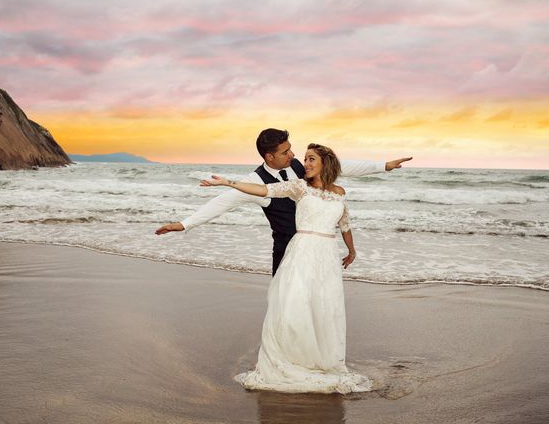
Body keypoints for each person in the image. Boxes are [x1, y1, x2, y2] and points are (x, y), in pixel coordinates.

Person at [200, 143, 371, 393]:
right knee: (294, 306)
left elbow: (344, 223)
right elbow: (264, 190)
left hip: (326, 257)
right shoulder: (299, 187)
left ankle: (320, 359)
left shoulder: (339, 191)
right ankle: (291, 359)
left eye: (311, 159)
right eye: (305, 159)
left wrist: (352, 250)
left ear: (326, 162)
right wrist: (229, 182)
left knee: (324, 308)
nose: (306, 164)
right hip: (301, 252)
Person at [155, 128, 411, 276]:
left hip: (318, 252)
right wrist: (185, 223)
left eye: (291, 148)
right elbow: (224, 201)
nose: (293, 154)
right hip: (288, 252)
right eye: (285, 151)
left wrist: (383, 166)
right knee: (285, 307)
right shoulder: (256, 181)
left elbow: (339, 166)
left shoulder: (301, 166)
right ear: (269, 156)